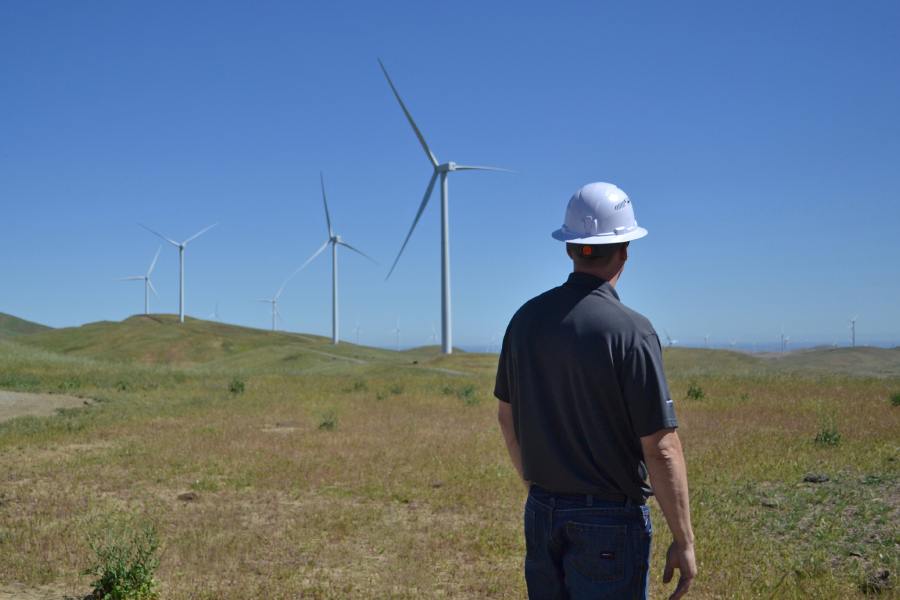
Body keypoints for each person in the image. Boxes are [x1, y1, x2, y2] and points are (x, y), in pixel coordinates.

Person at [495, 182, 696, 600]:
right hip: (609, 521)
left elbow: (506, 419)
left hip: (542, 512)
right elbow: (660, 448)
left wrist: (539, 493)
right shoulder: (631, 331)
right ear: (625, 248)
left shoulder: (523, 321)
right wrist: (685, 540)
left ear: (569, 248)